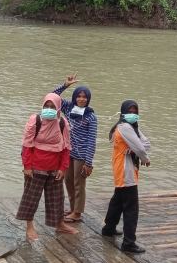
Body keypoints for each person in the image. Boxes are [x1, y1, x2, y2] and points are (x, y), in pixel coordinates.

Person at [16, 94, 79, 239]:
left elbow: (66, 147)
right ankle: (29, 227)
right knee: (31, 198)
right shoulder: (35, 120)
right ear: (43, 106)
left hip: (55, 168)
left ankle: (59, 224)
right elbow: (27, 144)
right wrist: (27, 166)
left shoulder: (63, 123)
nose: (49, 109)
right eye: (47, 106)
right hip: (35, 167)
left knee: (56, 198)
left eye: (52, 107)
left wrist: (63, 168)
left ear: (58, 108)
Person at [102, 100, 151, 253]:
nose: (132, 114)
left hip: (123, 170)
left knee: (118, 200)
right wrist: (145, 159)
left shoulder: (131, 128)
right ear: (123, 112)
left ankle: (109, 228)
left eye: (135, 111)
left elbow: (146, 143)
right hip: (126, 171)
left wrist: (134, 148)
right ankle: (129, 243)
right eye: (129, 111)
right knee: (131, 208)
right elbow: (141, 148)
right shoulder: (124, 127)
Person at [51, 71, 98, 223]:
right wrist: (65, 85)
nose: (81, 99)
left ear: (88, 99)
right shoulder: (69, 108)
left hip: (81, 156)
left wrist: (89, 162)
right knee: (68, 181)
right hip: (68, 153)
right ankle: (72, 208)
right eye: (79, 96)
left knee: (79, 184)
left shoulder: (90, 116)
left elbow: (92, 140)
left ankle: (77, 213)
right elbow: (53, 97)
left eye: (84, 97)